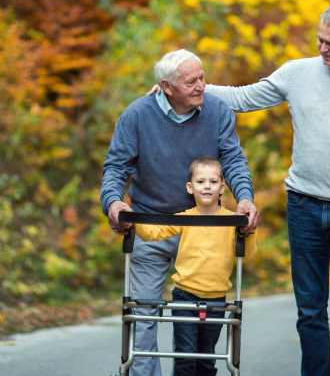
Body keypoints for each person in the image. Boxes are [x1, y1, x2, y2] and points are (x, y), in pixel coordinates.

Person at [205, 5, 330, 376]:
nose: (323, 48)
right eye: (320, 40)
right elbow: (243, 98)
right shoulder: (297, 73)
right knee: (310, 311)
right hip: (304, 206)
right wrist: (190, 87)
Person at [100, 49, 259, 376]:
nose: (203, 85)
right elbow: (116, 168)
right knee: (143, 316)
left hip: (205, 232)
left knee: (202, 321)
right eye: (192, 81)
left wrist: (244, 197)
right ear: (167, 87)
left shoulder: (217, 111)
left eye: (202, 77)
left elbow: (233, 160)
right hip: (152, 224)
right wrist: (113, 202)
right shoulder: (137, 115)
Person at [133, 157, 257, 376]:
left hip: (217, 298)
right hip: (185, 296)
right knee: (186, 356)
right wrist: (132, 218)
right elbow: (153, 232)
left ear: (222, 187)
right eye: (201, 181)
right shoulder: (186, 218)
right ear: (190, 187)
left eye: (212, 181)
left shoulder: (231, 220)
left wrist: (248, 230)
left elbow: (249, 251)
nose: (207, 186)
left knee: (207, 357)